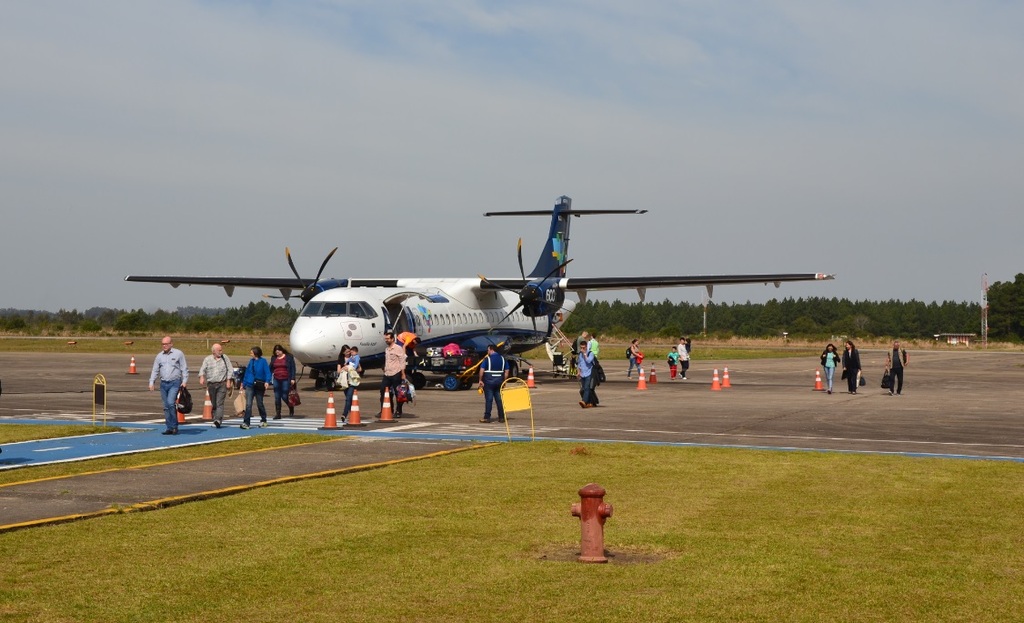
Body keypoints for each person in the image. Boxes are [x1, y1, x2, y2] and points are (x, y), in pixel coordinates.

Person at [148, 336, 189, 435]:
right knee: (166, 406)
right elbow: (155, 370)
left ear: (171, 344)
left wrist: (185, 380)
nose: (164, 346)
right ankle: (169, 427)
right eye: (163, 344)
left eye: (166, 344)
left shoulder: (178, 354)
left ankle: (174, 426)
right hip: (163, 383)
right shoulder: (159, 356)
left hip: (174, 382)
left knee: (171, 403)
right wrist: (151, 382)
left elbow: (184, 368)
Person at [198, 343, 233, 428]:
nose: (221, 352)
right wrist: (202, 377)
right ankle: (215, 419)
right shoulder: (207, 359)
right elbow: (202, 369)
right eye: (219, 350)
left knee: (219, 403)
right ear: (214, 351)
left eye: (221, 350)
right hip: (211, 385)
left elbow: (230, 369)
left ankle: (218, 420)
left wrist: (228, 380)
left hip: (222, 384)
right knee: (214, 404)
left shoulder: (225, 358)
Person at [241, 346, 272, 429]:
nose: (250, 354)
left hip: (259, 385)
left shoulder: (263, 361)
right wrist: (243, 384)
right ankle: (246, 422)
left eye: (251, 352)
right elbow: (247, 373)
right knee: (248, 404)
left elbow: (267, 372)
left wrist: (267, 381)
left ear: (256, 353)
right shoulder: (251, 361)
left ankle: (263, 420)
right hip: (250, 385)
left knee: (260, 403)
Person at [478, 343, 509, 423]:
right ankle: (501, 417)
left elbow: (481, 371)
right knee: (499, 400)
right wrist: (504, 381)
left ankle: (487, 417)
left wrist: (480, 380)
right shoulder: (503, 359)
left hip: (489, 382)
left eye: (488, 350)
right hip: (499, 381)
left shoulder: (487, 359)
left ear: (491, 350)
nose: (487, 352)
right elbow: (507, 371)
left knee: (489, 400)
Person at [380, 331, 407, 417]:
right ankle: (386, 409)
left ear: (392, 339)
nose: (386, 340)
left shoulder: (398, 348)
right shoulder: (387, 349)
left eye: (388, 339)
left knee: (398, 393)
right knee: (383, 391)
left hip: (396, 373)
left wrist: (403, 373)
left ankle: (399, 411)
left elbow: (402, 361)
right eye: (385, 339)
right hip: (387, 374)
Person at [268, 344, 297, 419]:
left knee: (284, 395)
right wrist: (268, 378)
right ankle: (278, 413)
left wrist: (293, 378)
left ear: (282, 350)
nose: (277, 353)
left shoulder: (289, 357)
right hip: (276, 379)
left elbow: (293, 368)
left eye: (278, 351)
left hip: (286, 379)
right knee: (277, 396)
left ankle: (290, 406)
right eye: (275, 351)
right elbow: (270, 368)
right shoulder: (274, 358)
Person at [338, 346, 361, 424]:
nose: (349, 353)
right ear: (343, 352)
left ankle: (344, 414)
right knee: (349, 400)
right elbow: (338, 371)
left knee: (348, 398)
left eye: (350, 352)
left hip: (351, 382)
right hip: (344, 382)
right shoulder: (341, 360)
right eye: (347, 352)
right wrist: (344, 368)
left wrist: (351, 368)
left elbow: (360, 369)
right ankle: (353, 415)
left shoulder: (354, 358)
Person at [577, 340, 598, 408]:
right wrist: (579, 372)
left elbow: (589, 361)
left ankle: (584, 401)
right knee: (583, 389)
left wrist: (585, 354)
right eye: (581, 348)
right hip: (582, 373)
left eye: (584, 348)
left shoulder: (590, 353)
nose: (582, 349)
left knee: (587, 388)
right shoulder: (580, 354)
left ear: (586, 347)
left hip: (589, 373)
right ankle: (589, 402)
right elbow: (579, 364)